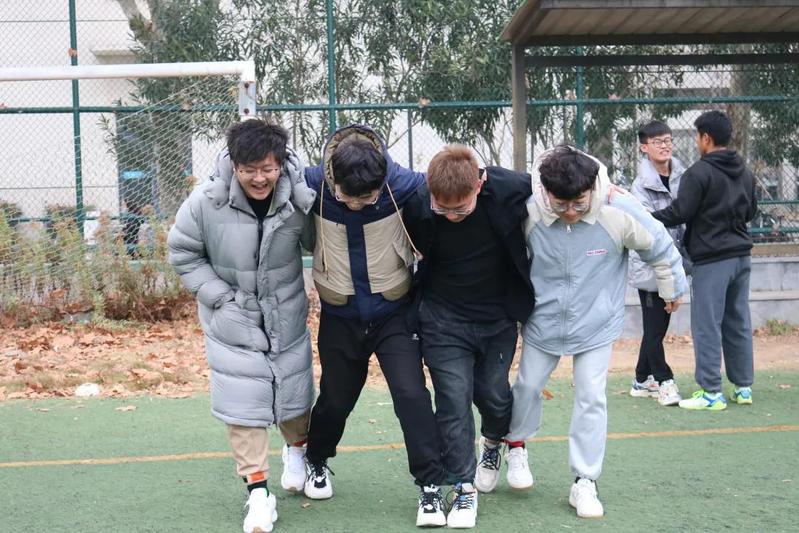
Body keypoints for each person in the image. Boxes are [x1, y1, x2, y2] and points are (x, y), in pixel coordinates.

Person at [507, 145, 687, 519]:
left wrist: (671, 288)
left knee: (591, 395)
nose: (571, 212)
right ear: (545, 193)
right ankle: (516, 446)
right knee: (526, 387)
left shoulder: (618, 208)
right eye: (561, 205)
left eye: (579, 203)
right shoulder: (529, 211)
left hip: (596, 321)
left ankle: (585, 480)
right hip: (543, 318)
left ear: (592, 188)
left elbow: (658, 245)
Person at [167, 118, 316, 533]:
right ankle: (258, 493)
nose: (259, 178)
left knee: (295, 396)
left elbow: (321, 243)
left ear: (280, 163)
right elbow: (183, 253)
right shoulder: (205, 202)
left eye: (267, 168)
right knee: (243, 407)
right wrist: (221, 298)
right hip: (232, 320)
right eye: (249, 169)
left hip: (285, 315)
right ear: (234, 165)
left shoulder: (299, 197)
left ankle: (297, 451)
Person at [302, 124, 448, 527]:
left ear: (381, 183)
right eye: (347, 198)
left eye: (366, 198)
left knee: (411, 395)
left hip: (394, 313)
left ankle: (430, 488)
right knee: (336, 398)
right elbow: (261, 173)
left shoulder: (405, 185)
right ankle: (316, 460)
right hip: (340, 314)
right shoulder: (311, 183)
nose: (355, 205)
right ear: (333, 179)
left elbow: (458, 187)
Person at [402, 144, 535, 528]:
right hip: (442, 319)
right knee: (453, 401)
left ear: (480, 183)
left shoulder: (508, 187)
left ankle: (494, 440)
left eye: (460, 209)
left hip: (497, 319)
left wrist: (607, 189)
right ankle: (463, 487)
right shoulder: (418, 202)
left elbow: (557, 175)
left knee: (494, 394)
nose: (450, 216)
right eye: (442, 208)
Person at [651, 110, 757, 411]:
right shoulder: (745, 172)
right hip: (741, 257)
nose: (697, 141)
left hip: (712, 259)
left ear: (706, 138)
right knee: (738, 321)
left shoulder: (698, 173)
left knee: (707, 325)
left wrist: (647, 217)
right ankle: (743, 387)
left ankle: (711, 392)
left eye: (697, 136)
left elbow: (680, 212)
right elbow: (751, 211)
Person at [628, 120, 690, 406]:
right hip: (651, 264)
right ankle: (664, 381)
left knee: (658, 325)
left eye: (668, 140)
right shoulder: (639, 187)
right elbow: (647, 228)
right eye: (657, 142)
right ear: (644, 148)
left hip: (676, 261)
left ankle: (642, 379)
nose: (665, 146)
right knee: (655, 327)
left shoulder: (683, 176)